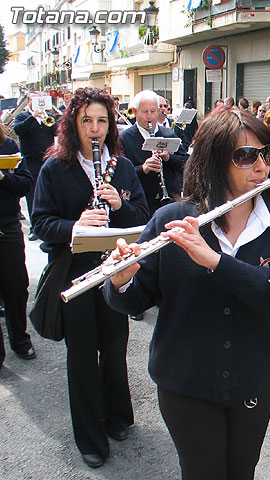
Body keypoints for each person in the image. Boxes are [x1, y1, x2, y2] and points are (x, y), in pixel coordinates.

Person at [103, 109, 270, 479]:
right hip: (186, 384)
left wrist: (214, 261)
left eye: (266, 154)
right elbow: (134, 300)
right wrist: (121, 279)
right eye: (246, 156)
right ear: (215, 160)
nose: (260, 165)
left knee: (242, 472)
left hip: (252, 381)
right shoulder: (173, 219)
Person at [31, 87, 149, 468]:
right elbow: (41, 223)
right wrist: (76, 225)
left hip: (113, 271)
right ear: (73, 125)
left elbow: (142, 218)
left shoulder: (123, 165)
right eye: (87, 121)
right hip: (76, 275)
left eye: (102, 120)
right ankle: (90, 436)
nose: (95, 129)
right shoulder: (55, 167)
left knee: (115, 347)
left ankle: (116, 416)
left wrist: (121, 204)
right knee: (82, 355)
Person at [0, 123, 36, 369]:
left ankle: (20, 340)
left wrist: (4, 176)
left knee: (15, 288)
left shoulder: (8, 146)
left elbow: (25, 184)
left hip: (7, 227)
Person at [120, 90, 188, 215]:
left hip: (168, 202)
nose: (149, 117)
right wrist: (143, 169)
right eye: (145, 112)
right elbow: (121, 174)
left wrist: (168, 158)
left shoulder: (169, 134)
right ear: (135, 112)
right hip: (142, 201)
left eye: (153, 111)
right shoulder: (125, 138)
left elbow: (183, 164)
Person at [13, 91, 57, 241]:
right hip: (31, 161)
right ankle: (35, 228)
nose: (38, 103)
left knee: (51, 193)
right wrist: (33, 117)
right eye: (35, 100)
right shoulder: (23, 116)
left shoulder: (47, 117)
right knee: (32, 196)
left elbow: (57, 130)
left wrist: (45, 117)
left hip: (48, 159)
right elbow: (18, 130)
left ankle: (49, 223)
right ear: (28, 102)